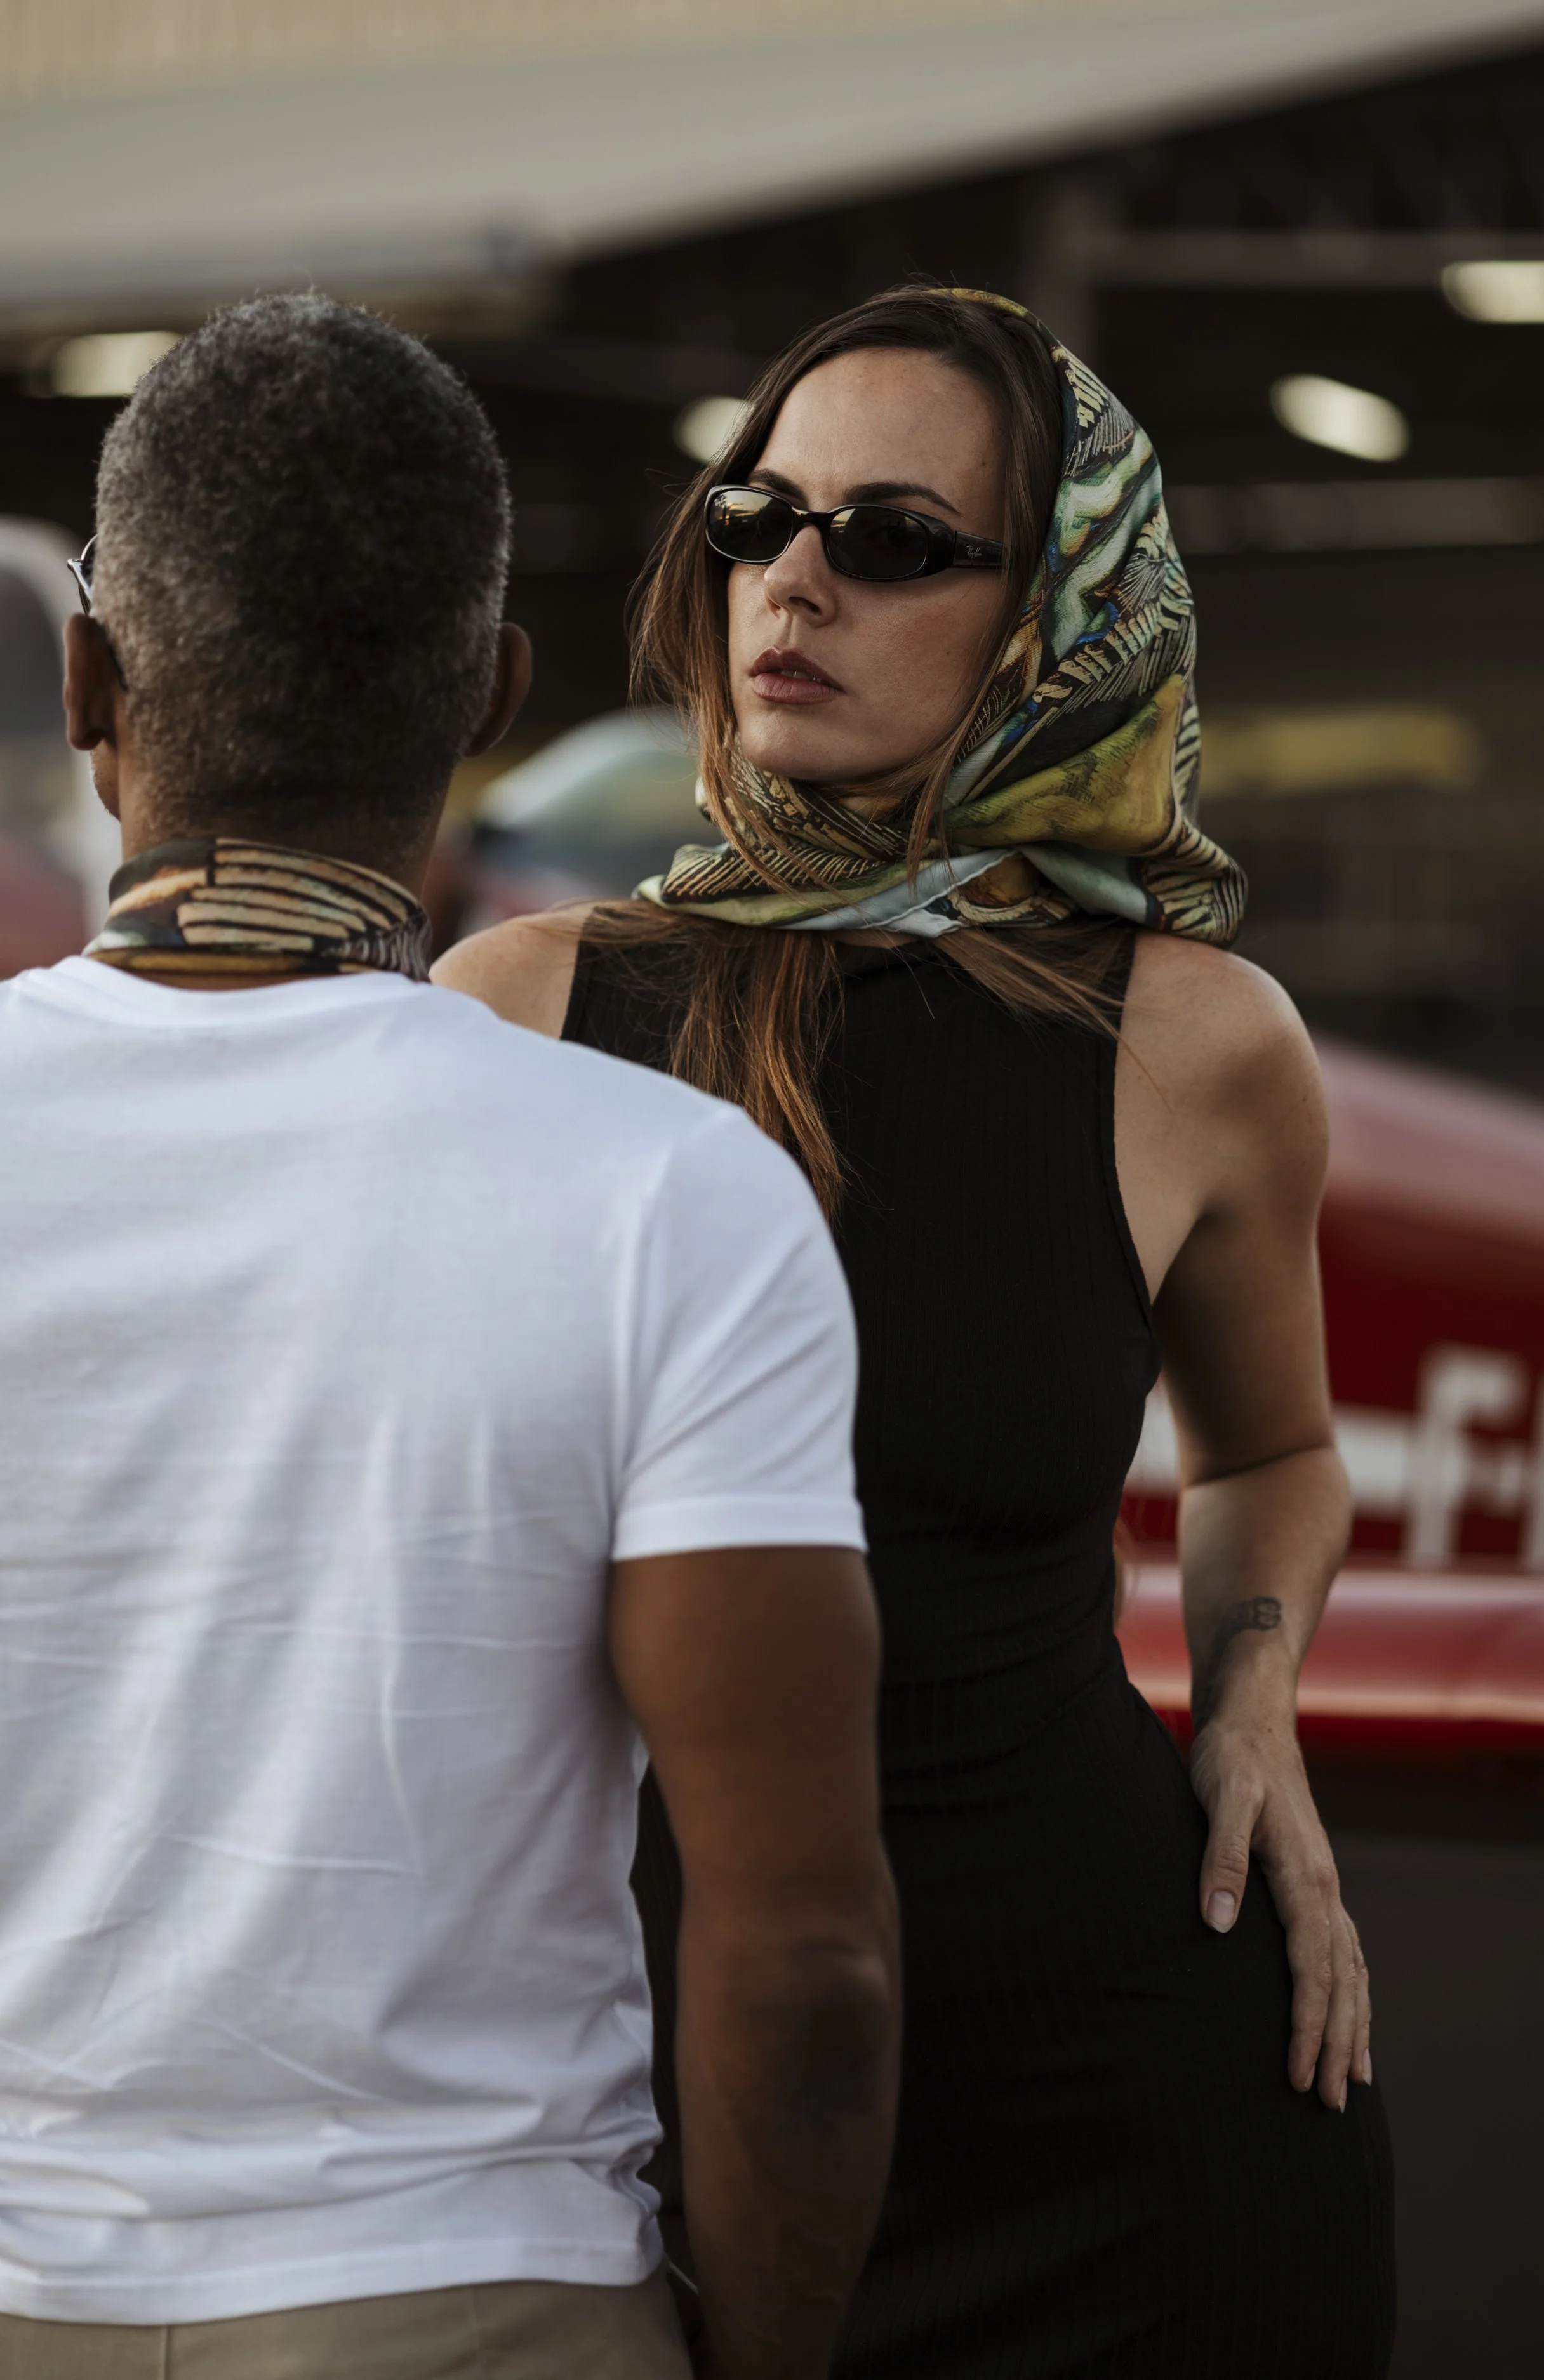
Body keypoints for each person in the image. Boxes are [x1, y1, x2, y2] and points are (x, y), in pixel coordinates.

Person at [437, 286, 1395, 2378]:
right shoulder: (513, 1008)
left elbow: (1270, 1455)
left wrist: (1251, 1705)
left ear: (1053, 618)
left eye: (890, 539)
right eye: (756, 517)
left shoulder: (1193, 1039)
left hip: (1124, 2127)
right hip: (631, 2111)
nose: (792, 581)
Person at [0, 294, 900, 2380]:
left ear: (88, 681)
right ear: (492, 691)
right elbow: (805, 1964)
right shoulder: (673, 1196)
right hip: (471, 2297)